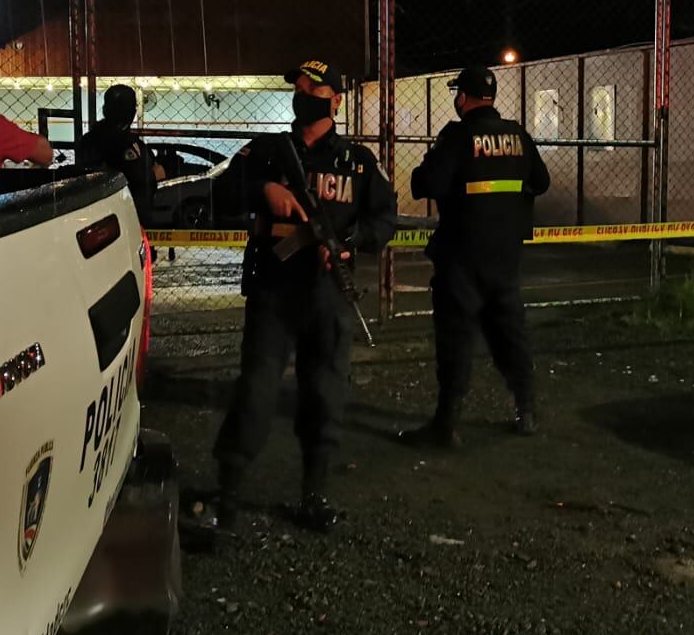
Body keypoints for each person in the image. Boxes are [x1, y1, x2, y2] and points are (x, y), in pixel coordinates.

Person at [202, 57, 395, 534]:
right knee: (256, 390)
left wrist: (349, 243)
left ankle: (315, 493)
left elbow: (384, 219)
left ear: (335, 100)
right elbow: (221, 190)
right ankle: (228, 494)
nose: (302, 96)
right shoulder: (268, 151)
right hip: (274, 290)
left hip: (327, 294)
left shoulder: (357, 162)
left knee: (325, 393)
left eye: (313, 89)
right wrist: (264, 189)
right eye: (299, 88)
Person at [400, 64, 550, 449]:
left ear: (462, 97)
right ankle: (526, 410)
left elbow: (426, 183)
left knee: (456, 336)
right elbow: (541, 181)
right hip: (505, 255)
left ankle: (446, 425)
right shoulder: (517, 135)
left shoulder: (457, 136)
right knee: (510, 331)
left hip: (462, 255)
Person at [75, 83, 161, 218]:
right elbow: (135, 178)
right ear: (132, 111)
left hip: (103, 212)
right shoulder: (122, 141)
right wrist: (154, 176)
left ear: (105, 109)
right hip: (125, 212)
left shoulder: (90, 139)